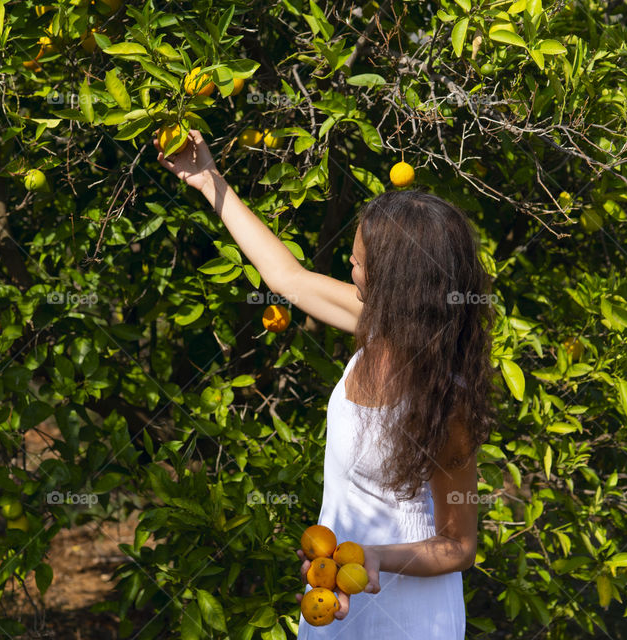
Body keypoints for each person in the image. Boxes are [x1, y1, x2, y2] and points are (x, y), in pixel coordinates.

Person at [155, 129, 495, 639]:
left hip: (409, 619)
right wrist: (210, 182)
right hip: (336, 599)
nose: (349, 267)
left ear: (393, 283)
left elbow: (457, 546)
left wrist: (375, 557)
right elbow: (286, 278)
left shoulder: (444, 401)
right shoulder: (377, 322)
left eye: (357, 263)